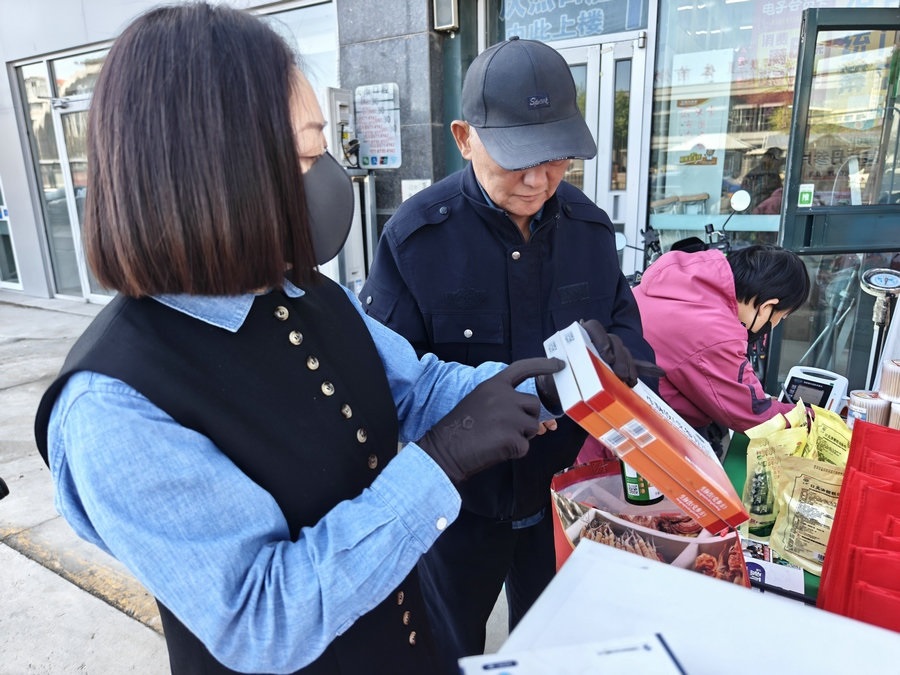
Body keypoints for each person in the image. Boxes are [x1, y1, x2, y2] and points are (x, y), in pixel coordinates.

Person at [31, 6, 581, 673]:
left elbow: (417, 387)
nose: (327, 184)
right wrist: (436, 464)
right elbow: (263, 614)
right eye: (307, 158)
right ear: (205, 174)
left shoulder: (306, 293)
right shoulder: (115, 406)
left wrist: (557, 381)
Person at [358, 37, 657, 672]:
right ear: (464, 138)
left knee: (554, 650)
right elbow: (388, 384)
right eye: (517, 158)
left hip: (563, 495)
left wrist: (622, 363)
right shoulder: (415, 239)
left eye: (554, 158)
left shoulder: (589, 230)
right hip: (455, 510)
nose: (537, 180)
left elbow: (629, 334)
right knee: (444, 652)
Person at [631, 244, 811, 448]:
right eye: (782, 317)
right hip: (649, 436)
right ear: (767, 307)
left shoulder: (678, 279)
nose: (776, 324)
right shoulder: (716, 331)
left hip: (625, 413)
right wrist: (814, 418)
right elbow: (753, 415)